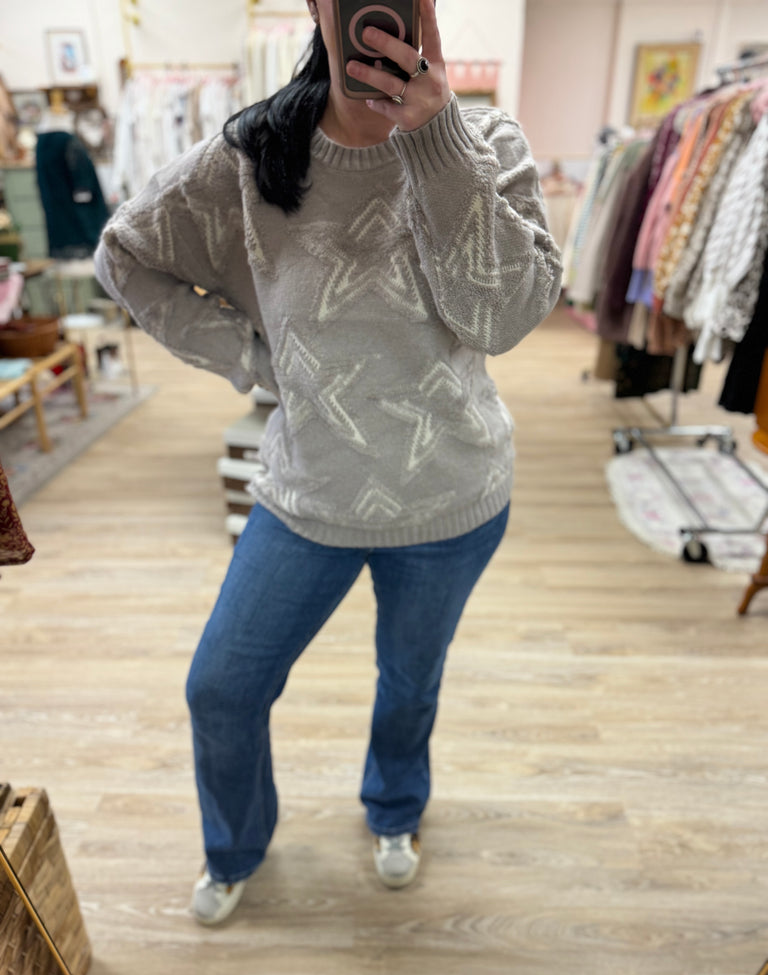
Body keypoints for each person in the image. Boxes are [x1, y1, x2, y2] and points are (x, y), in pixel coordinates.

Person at [94, 0, 562, 926]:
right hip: (308, 491)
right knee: (221, 688)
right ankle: (235, 845)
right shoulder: (253, 157)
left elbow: (503, 319)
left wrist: (436, 140)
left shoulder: (487, 142)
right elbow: (126, 257)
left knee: (411, 680)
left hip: (452, 495)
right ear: (318, 6)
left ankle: (395, 806)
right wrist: (251, 357)